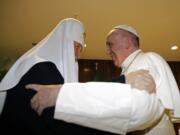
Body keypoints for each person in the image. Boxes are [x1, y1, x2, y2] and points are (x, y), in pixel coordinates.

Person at [0, 18, 155, 135]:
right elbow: (64, 121)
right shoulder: (40, 67)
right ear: (63, 43)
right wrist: (124, 82)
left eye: (81, 48)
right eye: (76, 47)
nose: (78, 55)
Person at [24, 25, 180, 135]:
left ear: (126, 41)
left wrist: (61, 95)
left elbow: (137, 108)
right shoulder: (129, 68)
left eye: (109, 44)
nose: (107, 51)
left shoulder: (147, 59)